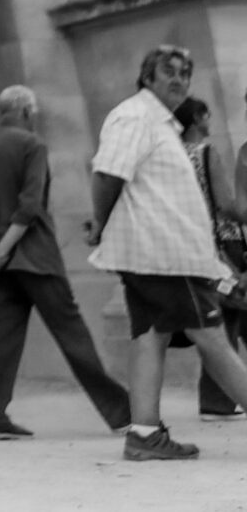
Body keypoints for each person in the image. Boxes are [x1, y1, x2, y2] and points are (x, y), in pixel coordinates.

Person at [84, 43, 247, 460]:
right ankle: (145, 435)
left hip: (155, 252)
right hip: (166, 253)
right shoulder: (135, 117)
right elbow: (107, 174)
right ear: (147, 78)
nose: (178, 79)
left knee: (149, 337)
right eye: (168, 71)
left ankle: (144, 434)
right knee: (212, 337)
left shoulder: (159, 123)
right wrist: (99, 224)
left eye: (185, 73)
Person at [0, 85, 129, 439]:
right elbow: (30, 205)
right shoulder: (32, 145)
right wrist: (6, 248)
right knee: (72, 334)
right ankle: (121, 413)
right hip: (35, 257)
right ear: (26, 112)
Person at [174, 98, 247, 418]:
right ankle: (216, 401)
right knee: (228, 316)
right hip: (221, 241)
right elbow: (227, 205)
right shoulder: (206, 153)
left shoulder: (172, 153)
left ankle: (217, 400)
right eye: (207, 115)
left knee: (226, 316)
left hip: (191, 241)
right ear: (196, 118)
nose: (210, 120)